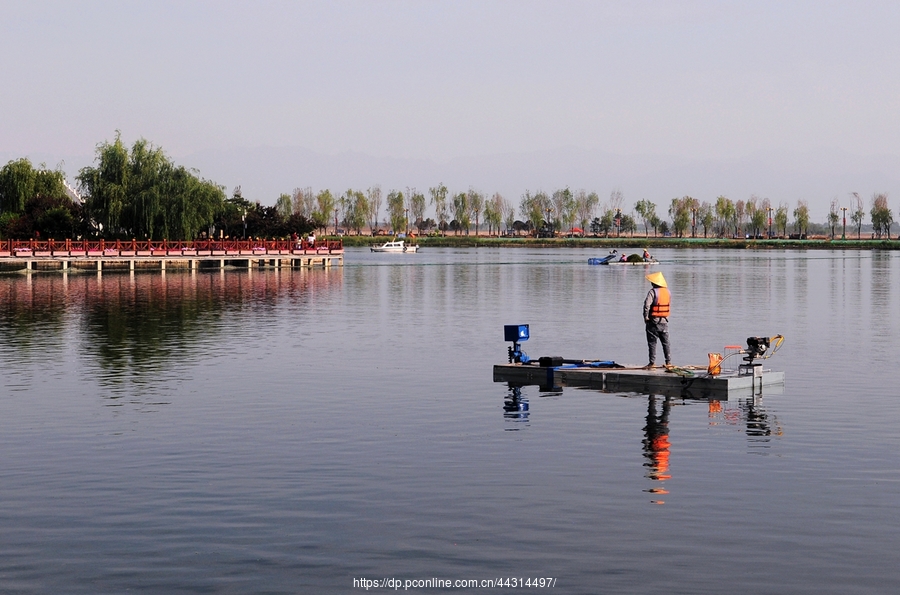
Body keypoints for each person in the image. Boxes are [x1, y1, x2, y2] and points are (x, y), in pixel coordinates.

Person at [642, 271, 671, 369]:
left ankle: (652, 363)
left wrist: (646, 317)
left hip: (653, 321)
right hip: (664, 321)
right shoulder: (668, 292)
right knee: (666, 343)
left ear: (655, 283)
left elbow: (647, 305)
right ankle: (668, 363)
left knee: (652, 343)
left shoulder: (652, 292)